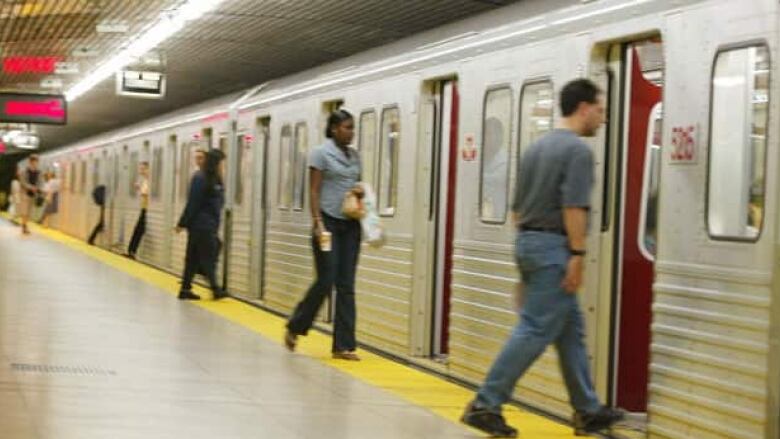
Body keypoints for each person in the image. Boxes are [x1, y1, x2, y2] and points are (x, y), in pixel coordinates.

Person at [461, 79, 624, 437]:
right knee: (534, 329)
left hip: (529, 243)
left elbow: (517, 212)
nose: (603, 118)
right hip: (555, 248)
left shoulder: (536, 148)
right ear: (583, 109)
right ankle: (485, 404)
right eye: (600, 109)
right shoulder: (578, 152)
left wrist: (528, 265)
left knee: (570, 333)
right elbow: (573, 207)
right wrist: (577, 255)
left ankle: (587, 409)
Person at [284, 109, 364, 361]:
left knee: (347, 284)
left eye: (352, 128)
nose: (351, 132)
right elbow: (314, 190)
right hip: (327, 223)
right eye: (347, 127)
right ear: (333, 129)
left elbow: (355, 185)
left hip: (350, 225)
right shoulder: (320, 153)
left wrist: (359, 192)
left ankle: (343, 345)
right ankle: (296, 325)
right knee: (326, 279)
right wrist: (317, 222)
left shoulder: (354, 156)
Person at [175, 149, 227, 301]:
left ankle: (185, 289)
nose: (223, 166)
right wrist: (182, 223)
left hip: (206, 224)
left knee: (193, 258)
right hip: (202, 225)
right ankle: (215, 289)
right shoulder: (200, 178)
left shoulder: (214, 179)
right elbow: (193, 203)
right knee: (209, 254)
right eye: (221, 163)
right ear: (215, 163)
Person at [126, 161, 149, 258]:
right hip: (144, 208)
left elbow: (145, 193)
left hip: (147, 209)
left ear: (148, 169)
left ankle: (131, 251)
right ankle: (131, 251)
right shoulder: (144, 180)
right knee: (139, 229)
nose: (141, 171)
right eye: (140, 169)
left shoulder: (149, 181)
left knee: (139, 229)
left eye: (143, 169)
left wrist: (139, 188)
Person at [17, 154, 42, 235]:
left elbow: (39, 182)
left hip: (33, 194)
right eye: (34, 161)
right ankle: (24, 226)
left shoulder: (38, 172)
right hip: (25, 193)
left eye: (37, 162)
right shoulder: (24, 171)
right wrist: (31, 187)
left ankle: (25, 225)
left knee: (29, 212)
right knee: (25, 210)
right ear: (30, 162)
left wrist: (37, 188)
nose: (36, 163)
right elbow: (22, 182)